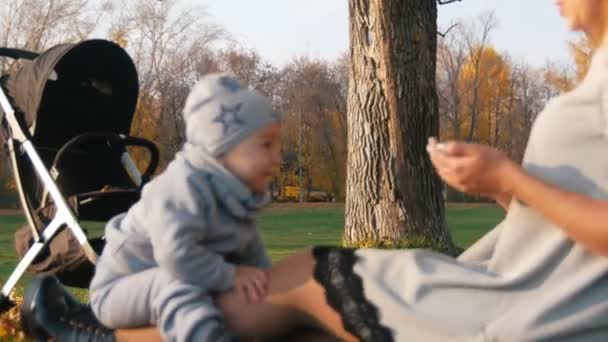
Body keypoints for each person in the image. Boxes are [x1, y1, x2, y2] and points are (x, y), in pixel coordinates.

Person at [19, 0, 608, 341]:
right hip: (525, 288)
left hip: (542, 312)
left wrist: (511, 180)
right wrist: (501, 190)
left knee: (303, 278)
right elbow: (567, 229)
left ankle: (99, 335)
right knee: (291, 306)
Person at [21, 72, 283, 342]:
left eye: (278, 145)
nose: (277, 158)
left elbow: (249, 248)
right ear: (223, 147)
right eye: (266, 145)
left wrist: (266, 284)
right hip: (120, 289)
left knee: (209, 288)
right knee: (178, 285)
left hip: (180, 276)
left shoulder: (237, 196)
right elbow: (177, 256)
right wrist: (230, 274)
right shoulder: (181, 189)